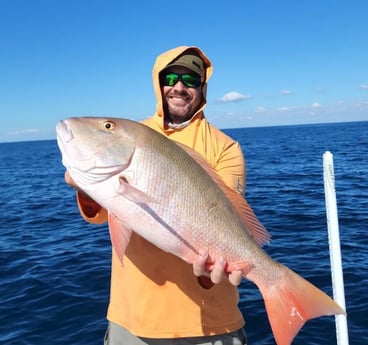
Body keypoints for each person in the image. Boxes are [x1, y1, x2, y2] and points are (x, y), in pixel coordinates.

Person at [66, 46, 247, 344]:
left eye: (190, 80)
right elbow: (101, 215)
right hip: (133, 319)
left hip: (211, 322)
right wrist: (86, 186)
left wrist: (209, 271)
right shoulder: (134, 134)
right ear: (158, 82)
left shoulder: (226, 148)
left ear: (203, 88)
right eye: (171, 77)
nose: (179, 87)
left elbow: (229, 222)